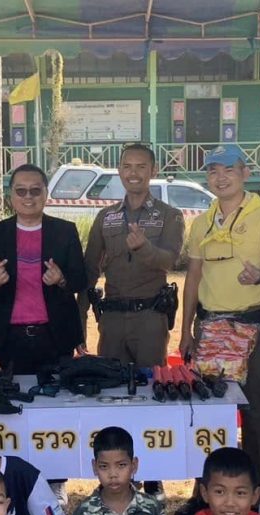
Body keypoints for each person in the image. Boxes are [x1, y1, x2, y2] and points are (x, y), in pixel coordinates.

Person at [179, 145, 260, 488]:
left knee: (256, 415)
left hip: (251, 329)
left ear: (245, 173)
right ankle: (205, 495)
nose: (220, 177)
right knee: (208, 416)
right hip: (209, 329)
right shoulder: (201, 222)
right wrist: (185, 332)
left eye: (229, 169)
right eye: (213, 171)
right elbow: (193, 278)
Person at [0, 163, 87, 374]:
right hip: (9, 336)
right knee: (15, 391)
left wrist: (61, 279)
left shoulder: (65, 231)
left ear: (46, 193)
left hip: (56, 334)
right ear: (11, 195)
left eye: (35, 190)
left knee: (55, 392)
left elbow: (80, 279)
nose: (28, 196)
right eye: (21, 191)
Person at [82, 143, 185, 365]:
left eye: (141, 167)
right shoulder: (105, 217)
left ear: (154, 170)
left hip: (150, 318)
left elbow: (170, 261)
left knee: (150, 381)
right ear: (119, 170)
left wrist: (144, 248)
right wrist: (80, 321)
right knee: (110, 380)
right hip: (112, 319)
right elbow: (89, 271)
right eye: (127, 166)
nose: (133, 173)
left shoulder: (169, 215)